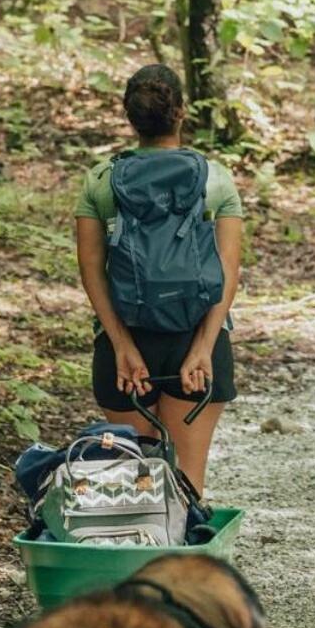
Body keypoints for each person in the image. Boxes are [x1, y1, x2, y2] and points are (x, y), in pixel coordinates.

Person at [75, 64, 243, 496]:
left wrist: (122, 346)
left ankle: (136, 562)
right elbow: (227, 271)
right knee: (188, 483)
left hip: (127, 343)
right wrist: (204, 349)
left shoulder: (101, 180)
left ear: (129, 115)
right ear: (182, 112)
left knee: (134, 484)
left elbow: (91, 268)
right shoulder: (216, 179)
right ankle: (184, 562)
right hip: (198, 340)